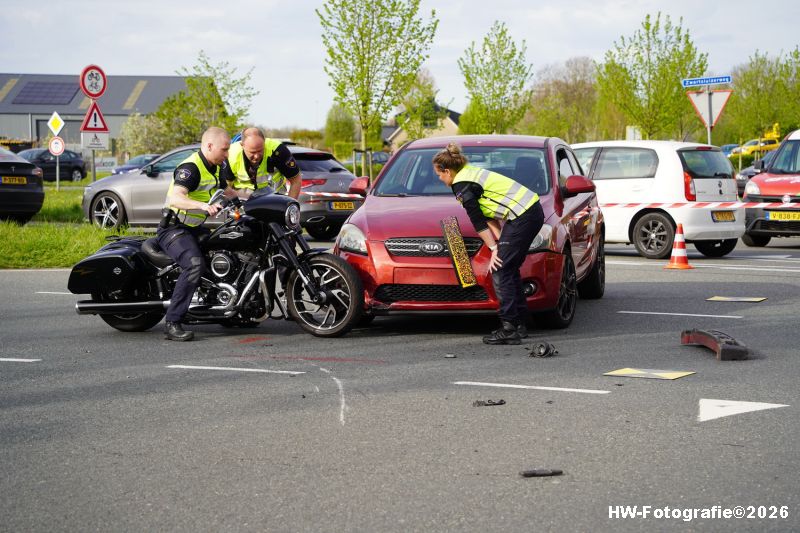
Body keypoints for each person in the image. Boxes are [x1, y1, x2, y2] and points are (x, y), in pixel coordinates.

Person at [432, 143, 544, 345]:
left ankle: (509, 327)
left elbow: (477, 221)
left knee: (500, 269)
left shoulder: (461, 184)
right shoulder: (469, 173)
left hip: (523, 215)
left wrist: (494, 249)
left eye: (439, 175)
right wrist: (500, 241)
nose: (439, 179)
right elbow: (488, 213)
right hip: (527, 213)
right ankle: (519, 324)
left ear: (447, 171)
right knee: (509, 268)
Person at [157, 126, 233, 341]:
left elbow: (228, 192)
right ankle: (173, 321)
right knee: (194, 264)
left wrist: (254, 199)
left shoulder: (218, 166)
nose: (227, 154)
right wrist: (202, 206)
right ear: (209, 146)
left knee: (226, 250)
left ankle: (225, 308)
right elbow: (176, 198)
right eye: (224, 149)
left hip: (194, 228)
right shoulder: (191, 167)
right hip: (174, 228)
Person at [221, 127, 301, 199]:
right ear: (242, 145)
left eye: (260, 150)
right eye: (252, 152)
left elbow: (296, 181)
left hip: (275, 201)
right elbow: (226, 188)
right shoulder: (230, 155)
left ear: (264, 142)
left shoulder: (277, 150)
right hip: (244, 204)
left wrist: (290, 206)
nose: (256, 156)